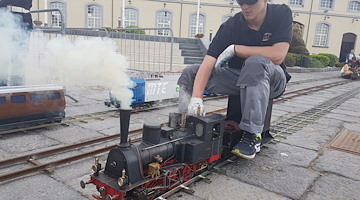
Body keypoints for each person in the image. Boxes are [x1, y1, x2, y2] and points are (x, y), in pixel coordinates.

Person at [177, 0, 292, 159]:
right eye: (241, 1)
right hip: (239, 78)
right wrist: (196, 98)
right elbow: (208, 63)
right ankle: (184, 122)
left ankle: (252, 135)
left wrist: (236, 49)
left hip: (272, 80)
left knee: (254, 63)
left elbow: (278, 55)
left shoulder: (281, 13)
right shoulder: (231, 25)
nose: (245, 6)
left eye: (251, 1)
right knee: (191, 72)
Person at [0, 0, 33, 86]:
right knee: (3, 58)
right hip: (5, 17)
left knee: (19, 59)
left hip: (24, 18)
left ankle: (18, 92)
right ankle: (2, 92)